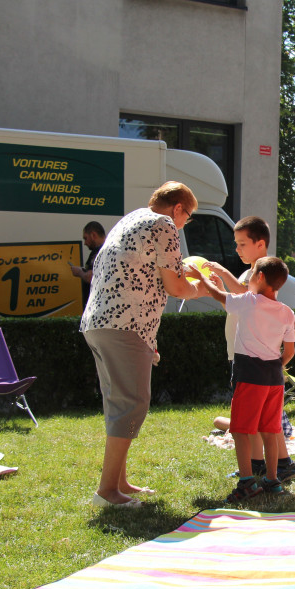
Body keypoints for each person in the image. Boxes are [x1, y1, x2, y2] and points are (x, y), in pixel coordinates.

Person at [80, 181, 200, 507]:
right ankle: (107, 492)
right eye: (187, 217)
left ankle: (119, 483)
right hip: (125, 327)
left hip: (99, 323)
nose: (183, 224)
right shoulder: (164, 225)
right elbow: (175, 287)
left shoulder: (132, 219)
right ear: (178, 208)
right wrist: (204, 288)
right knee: (132, 404)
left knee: (120, 404)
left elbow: (147, 276)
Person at [188, 257, 295, 501]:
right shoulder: (287, 313)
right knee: (270, 430)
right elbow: (289, 352)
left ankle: (247, 482)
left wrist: (201, 276)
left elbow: (218, 296)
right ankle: (272, 480)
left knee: (240, 430)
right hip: (274, 379)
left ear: (258, 278)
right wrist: (275, 367)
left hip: (249, 375)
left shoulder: (249, 301)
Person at [203, 216, 295, 483]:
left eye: (242, 243)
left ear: (260, 244)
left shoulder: (259, 274)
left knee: (252, 424)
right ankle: (267, 469)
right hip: (266, 366)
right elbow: (289, 349)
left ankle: (265, 471)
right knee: (266, 425)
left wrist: (215, 280)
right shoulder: (266, 279)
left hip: (251, 364)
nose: (237, 249)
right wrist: (276, 363)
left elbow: (237, 297)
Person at [70, 221, 106, 306]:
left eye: (85, 238)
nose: (85, 243)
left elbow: (91, 277)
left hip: (97, 306)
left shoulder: (102, 251)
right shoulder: (100, 251)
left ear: (93, 235)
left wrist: (79, 272)